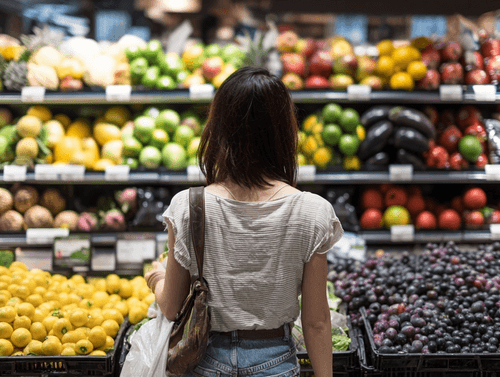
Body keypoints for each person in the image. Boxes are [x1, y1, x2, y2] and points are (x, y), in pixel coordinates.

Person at [145, 66, 343, 377]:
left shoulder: (188, 206)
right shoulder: (312, 211)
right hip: (276, 362)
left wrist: (156, 278)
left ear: (218, 129)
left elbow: (171, 308)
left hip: (204, 360)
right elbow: (316, 321)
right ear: (285, 131)